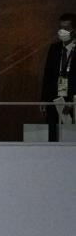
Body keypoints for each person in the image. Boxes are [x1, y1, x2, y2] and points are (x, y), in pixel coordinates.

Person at [41, 12, 76, 142]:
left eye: (66, 28)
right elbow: (47, 74)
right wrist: (43, 99)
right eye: (61, 28)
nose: (63, 31)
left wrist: (73, 101)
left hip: (72, 98)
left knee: (71, 134)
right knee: (52, 132)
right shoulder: (54, 48)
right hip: (54, 96)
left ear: (74, 30)